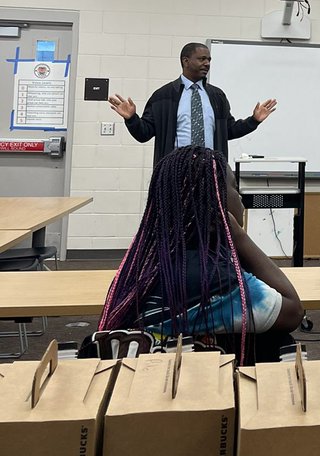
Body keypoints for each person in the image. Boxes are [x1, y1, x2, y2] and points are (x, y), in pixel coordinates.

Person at [98, 146, 303, 364]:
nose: (241, 198)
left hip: (146, 383)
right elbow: (293, 311)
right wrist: (239, 236)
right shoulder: (216, 278)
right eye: (235, 189)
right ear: (215, 208)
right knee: (279, 340)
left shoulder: (144, 265)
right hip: (199, 387)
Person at [108, 42, 276, 166]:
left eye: (209, 59)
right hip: (175, 169)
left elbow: (228, 131)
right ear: (186, 61)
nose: (207, 63)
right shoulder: (163, 96)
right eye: (202, 59)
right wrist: (131, 119)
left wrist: (253, 120)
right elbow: (144, 134)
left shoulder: (217, 96)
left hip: (210, 169)